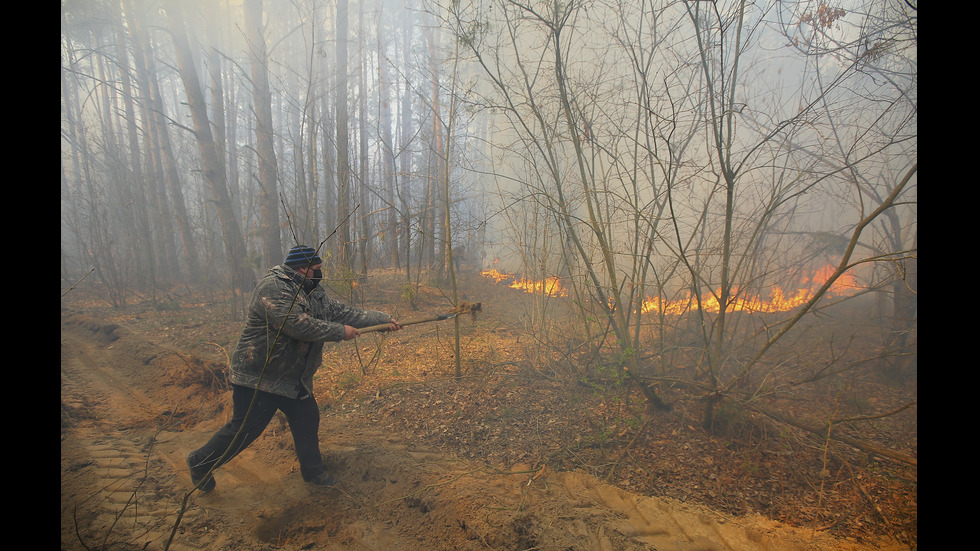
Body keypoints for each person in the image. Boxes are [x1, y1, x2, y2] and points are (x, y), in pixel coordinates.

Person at [187, 245, 401, 492]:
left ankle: (313, 472)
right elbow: (297, 325)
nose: (321, 273)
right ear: (303, 268)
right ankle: (200, 462)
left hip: (292, 378)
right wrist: (339, 332)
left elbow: (340, 311)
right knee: (245, 430)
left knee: (307, 419)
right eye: (317, 269)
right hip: (259, 377)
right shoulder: (273, 288)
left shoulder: (312, 291)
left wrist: (381, 320)